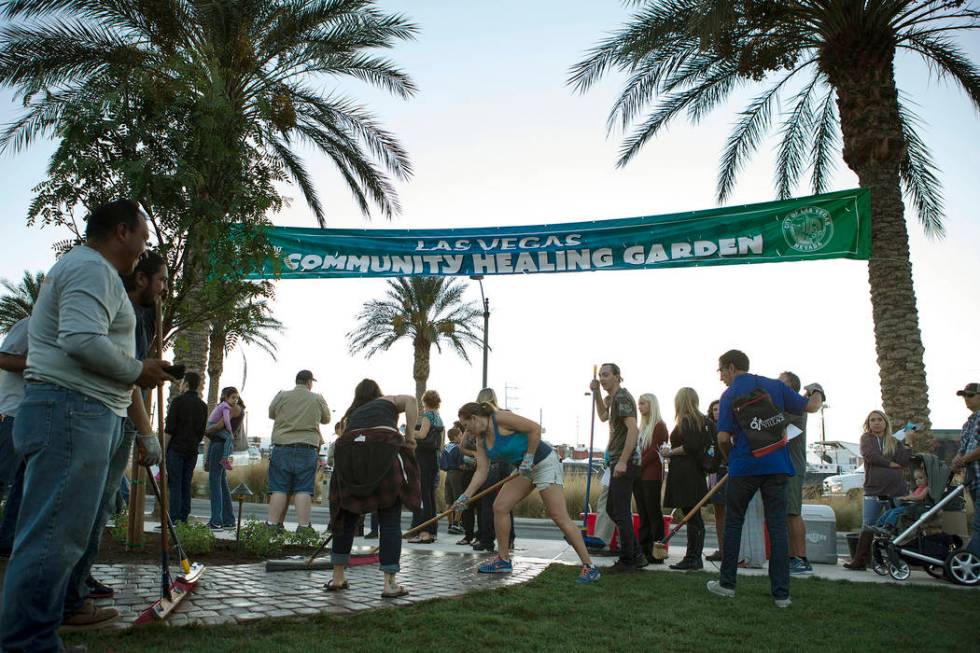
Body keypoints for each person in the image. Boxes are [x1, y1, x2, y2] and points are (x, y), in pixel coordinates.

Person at [0, 200, 175, 651]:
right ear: (122, 232)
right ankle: (27, 642)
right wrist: (138, 370)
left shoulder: (94, 273)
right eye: (142, 236)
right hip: (71, 411)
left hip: (79, 412)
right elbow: (80, 339)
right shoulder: (89, 268)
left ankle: (32, 635)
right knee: (53, 536)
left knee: (62, 534)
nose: (145, 246)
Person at [706, 349, 823, 609]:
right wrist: (816, 389)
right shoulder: (775, 386)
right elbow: (811, 406)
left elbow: (723, 438)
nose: (721, 377)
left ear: (732, 367)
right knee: (778, 526)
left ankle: (727, 585)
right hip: (776, 465)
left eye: (721, 370)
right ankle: (781, 595)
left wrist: (730, 458)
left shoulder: (729, 395)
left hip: (744, 466)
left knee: (734, 523)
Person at [455, 402, 600, 584]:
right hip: (524, 469)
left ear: (474, 419)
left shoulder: (499, 418)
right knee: (500, 507)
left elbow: (534, 428)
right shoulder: (481, 441)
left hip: (544, 462)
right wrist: (465, 496)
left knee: (558, 516)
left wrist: (529, 457)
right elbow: (481, 471)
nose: (466, 430)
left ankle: (590, 567)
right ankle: (503, 560)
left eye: (466, 425)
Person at [327, 379, 419, 598]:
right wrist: (410, 438)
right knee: (389, 520)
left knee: (346, 516)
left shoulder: (353, 413)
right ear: (378, 392)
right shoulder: (386, 400)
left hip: (348, 452)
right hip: (382, 448)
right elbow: (412, 400)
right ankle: (389, 584)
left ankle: (338, 577)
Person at [844, 409, 911, 570]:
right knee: (868, 524)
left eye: (879, 419)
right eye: (873, 420)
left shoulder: (894, 441)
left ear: (885, 422)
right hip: (874, 489)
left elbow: (904, 460)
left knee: (893, 526)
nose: (876, 422)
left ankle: (895, 561)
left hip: (896, 489)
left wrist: (908, 443)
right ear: (868, 424)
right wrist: (890, 463)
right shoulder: (866, 438)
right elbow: (870, 455)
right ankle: (860, 561)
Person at [590, 362, 641, 573]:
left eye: (606, 375)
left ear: (618, 376)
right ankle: (635, 554)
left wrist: (622, 461)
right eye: (601, 375)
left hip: (625, 461)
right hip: (617, 460)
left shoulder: (622, 398)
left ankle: (629, 559)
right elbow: (603, 416)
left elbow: (633, 430)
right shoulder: (612, 398)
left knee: (619, 510)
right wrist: (595, 394)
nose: (602, 379)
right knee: (613, 508)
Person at [267, 370, 331, 534]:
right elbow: (327, 419)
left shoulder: (282, 395)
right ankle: (303, 527)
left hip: (282, 447)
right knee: (303, 488)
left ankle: (272, 525)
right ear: (309, 382)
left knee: (279, 488)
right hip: (306, 448)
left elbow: (271, 413)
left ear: (296, 381)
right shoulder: (317, 398)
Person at [663, 387, 709, 570]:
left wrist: (669, 452)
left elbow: (690, 446)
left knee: (692, 516)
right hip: (692, 473)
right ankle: (694, 556)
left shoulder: (688, 420)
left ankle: (693, 557)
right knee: (693, 516)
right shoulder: (700, 420)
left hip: (686, 472)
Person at [469, 387, 516, 553]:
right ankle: (509, 539)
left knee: (488, 504)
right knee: (506, 503)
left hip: (494, 465)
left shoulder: (481, 422)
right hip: (510, 464)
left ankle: (486, 540)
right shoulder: (504, 415)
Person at [0, 317, 29, 559]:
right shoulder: (29, 325)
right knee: (2, 477)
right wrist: (40, 363)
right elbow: (3, 358)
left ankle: (6, 540)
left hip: (37, 417)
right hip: (14, 413)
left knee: (23, 484)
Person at [779, 371, 812, 575]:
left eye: (781, 383)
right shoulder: (785, 408)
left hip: (792, 467)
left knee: (792, 513)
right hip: (782, 467)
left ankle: (801, 558)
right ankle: (790, 558)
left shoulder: (796, 409)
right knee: (785, 514)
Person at [164, 371, 208, 523]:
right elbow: (202, 432)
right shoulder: (203, 406)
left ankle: (174, 519)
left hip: (176, 449)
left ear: (187, 384)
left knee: (175, 484)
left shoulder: (177, 402)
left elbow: (169, 429)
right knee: (186, 484)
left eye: (182, 382)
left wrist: (162, 451)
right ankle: (183, 517)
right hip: (192, 450)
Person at [634, 392, 668, 565]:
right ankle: (645, 548)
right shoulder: (643, 426)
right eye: (639, 404)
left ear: (652, 405)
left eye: (643, 404)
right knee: (643, 513)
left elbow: (654, 452)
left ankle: (657, 551)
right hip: (640, 475)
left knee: (653, 512)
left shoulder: (659, 426)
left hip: (651, 475)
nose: (640, 407)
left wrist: (637, 465)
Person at [408, 389, 444, 544]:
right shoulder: (440, 418)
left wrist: (409, 432)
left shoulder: (428, 416)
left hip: (424, 458)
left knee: (424, 495)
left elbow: (422, 435)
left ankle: (424, 531)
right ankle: (431, 530)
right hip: (434, 459)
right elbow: (440, 444)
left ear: (425, 402)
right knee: (430, 496)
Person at [951, 383, 980, 556]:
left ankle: (970, 564)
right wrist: (954, 463)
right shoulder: (968, 424)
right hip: (974, 482)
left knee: (978, 525)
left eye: (970, 395)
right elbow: (962, 450)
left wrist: (964, 459)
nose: (966, 399)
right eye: (964, 396)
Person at [873, 467, 928, 533]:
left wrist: (908, 498)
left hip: (915, 508)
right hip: (909, 506)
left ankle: (888, 526)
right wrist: (904, 497)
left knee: (895, 511)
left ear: (928, 479)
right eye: (916, 479)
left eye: (921, 478)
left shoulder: (926, 488)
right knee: (889, 511)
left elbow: (920, 497)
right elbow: (911, 496)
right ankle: (878, 525)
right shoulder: (917, 489)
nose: (918, 481)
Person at [705, 399, 727, 562]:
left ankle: (731, 549)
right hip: (714, 473)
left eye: (720, 409)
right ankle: (722, 548)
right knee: (719, 511)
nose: (717, 412)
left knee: (730, 512)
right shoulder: (710, 430)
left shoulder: (730, 429)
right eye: (714, 410)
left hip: (728, 472)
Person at [441, 426, 466, 535]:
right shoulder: (458, 448)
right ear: (456, 437)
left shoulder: (445, 447)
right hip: (457, 474)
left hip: (448, 474)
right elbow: (461, 465)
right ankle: (456, 523)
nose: (461, 437)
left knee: (449, 501)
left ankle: (450, 524)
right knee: (459, 499)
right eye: (460, 435)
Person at [208, 387, 240, 472]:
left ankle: (208, 461)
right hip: (213, 425)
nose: (235, 400)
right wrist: (230, 431)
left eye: (237, 398)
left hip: (211, 424)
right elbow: (226, 420)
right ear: (226, 398)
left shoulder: (222, 404)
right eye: (233, 398)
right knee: (229, 437)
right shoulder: (226, 407)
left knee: (213, 441)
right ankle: (225, 459)